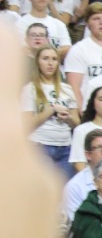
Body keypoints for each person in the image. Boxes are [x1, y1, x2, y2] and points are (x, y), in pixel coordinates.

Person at [23, 45, 79, 178]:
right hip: (40, 146)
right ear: (38, 62)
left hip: (65, 147)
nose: (50, 63)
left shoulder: (67, 89)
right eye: (45, 59)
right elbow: (26, 124)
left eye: (54, 59)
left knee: (64, 193)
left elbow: (77, 122)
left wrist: (68, 117)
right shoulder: (29, 89)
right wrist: (51, 110)